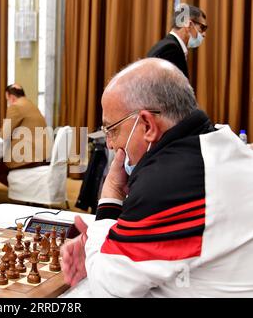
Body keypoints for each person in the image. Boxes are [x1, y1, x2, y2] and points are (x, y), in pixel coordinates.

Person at [61, 58, 253, 297]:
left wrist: (111, 195)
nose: (110, 144)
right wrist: (101, 246)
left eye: (112, 130)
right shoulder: (220, 142)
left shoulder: (171, 181)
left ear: (148, 125)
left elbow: (106, 288)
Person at [0, 84, 51, 187]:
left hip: (31, 158)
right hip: (45, 156)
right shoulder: (31, 105)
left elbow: (4, 135)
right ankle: (28, 189)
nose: (8, 102)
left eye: (7, 99)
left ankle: (24, 191)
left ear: (11, 97)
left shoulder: (15, 107)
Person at [147, 4, 207, 79]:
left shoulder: (168, 45)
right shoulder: (170, 50)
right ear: (189, 25)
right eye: (202, 28)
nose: (204, 34)